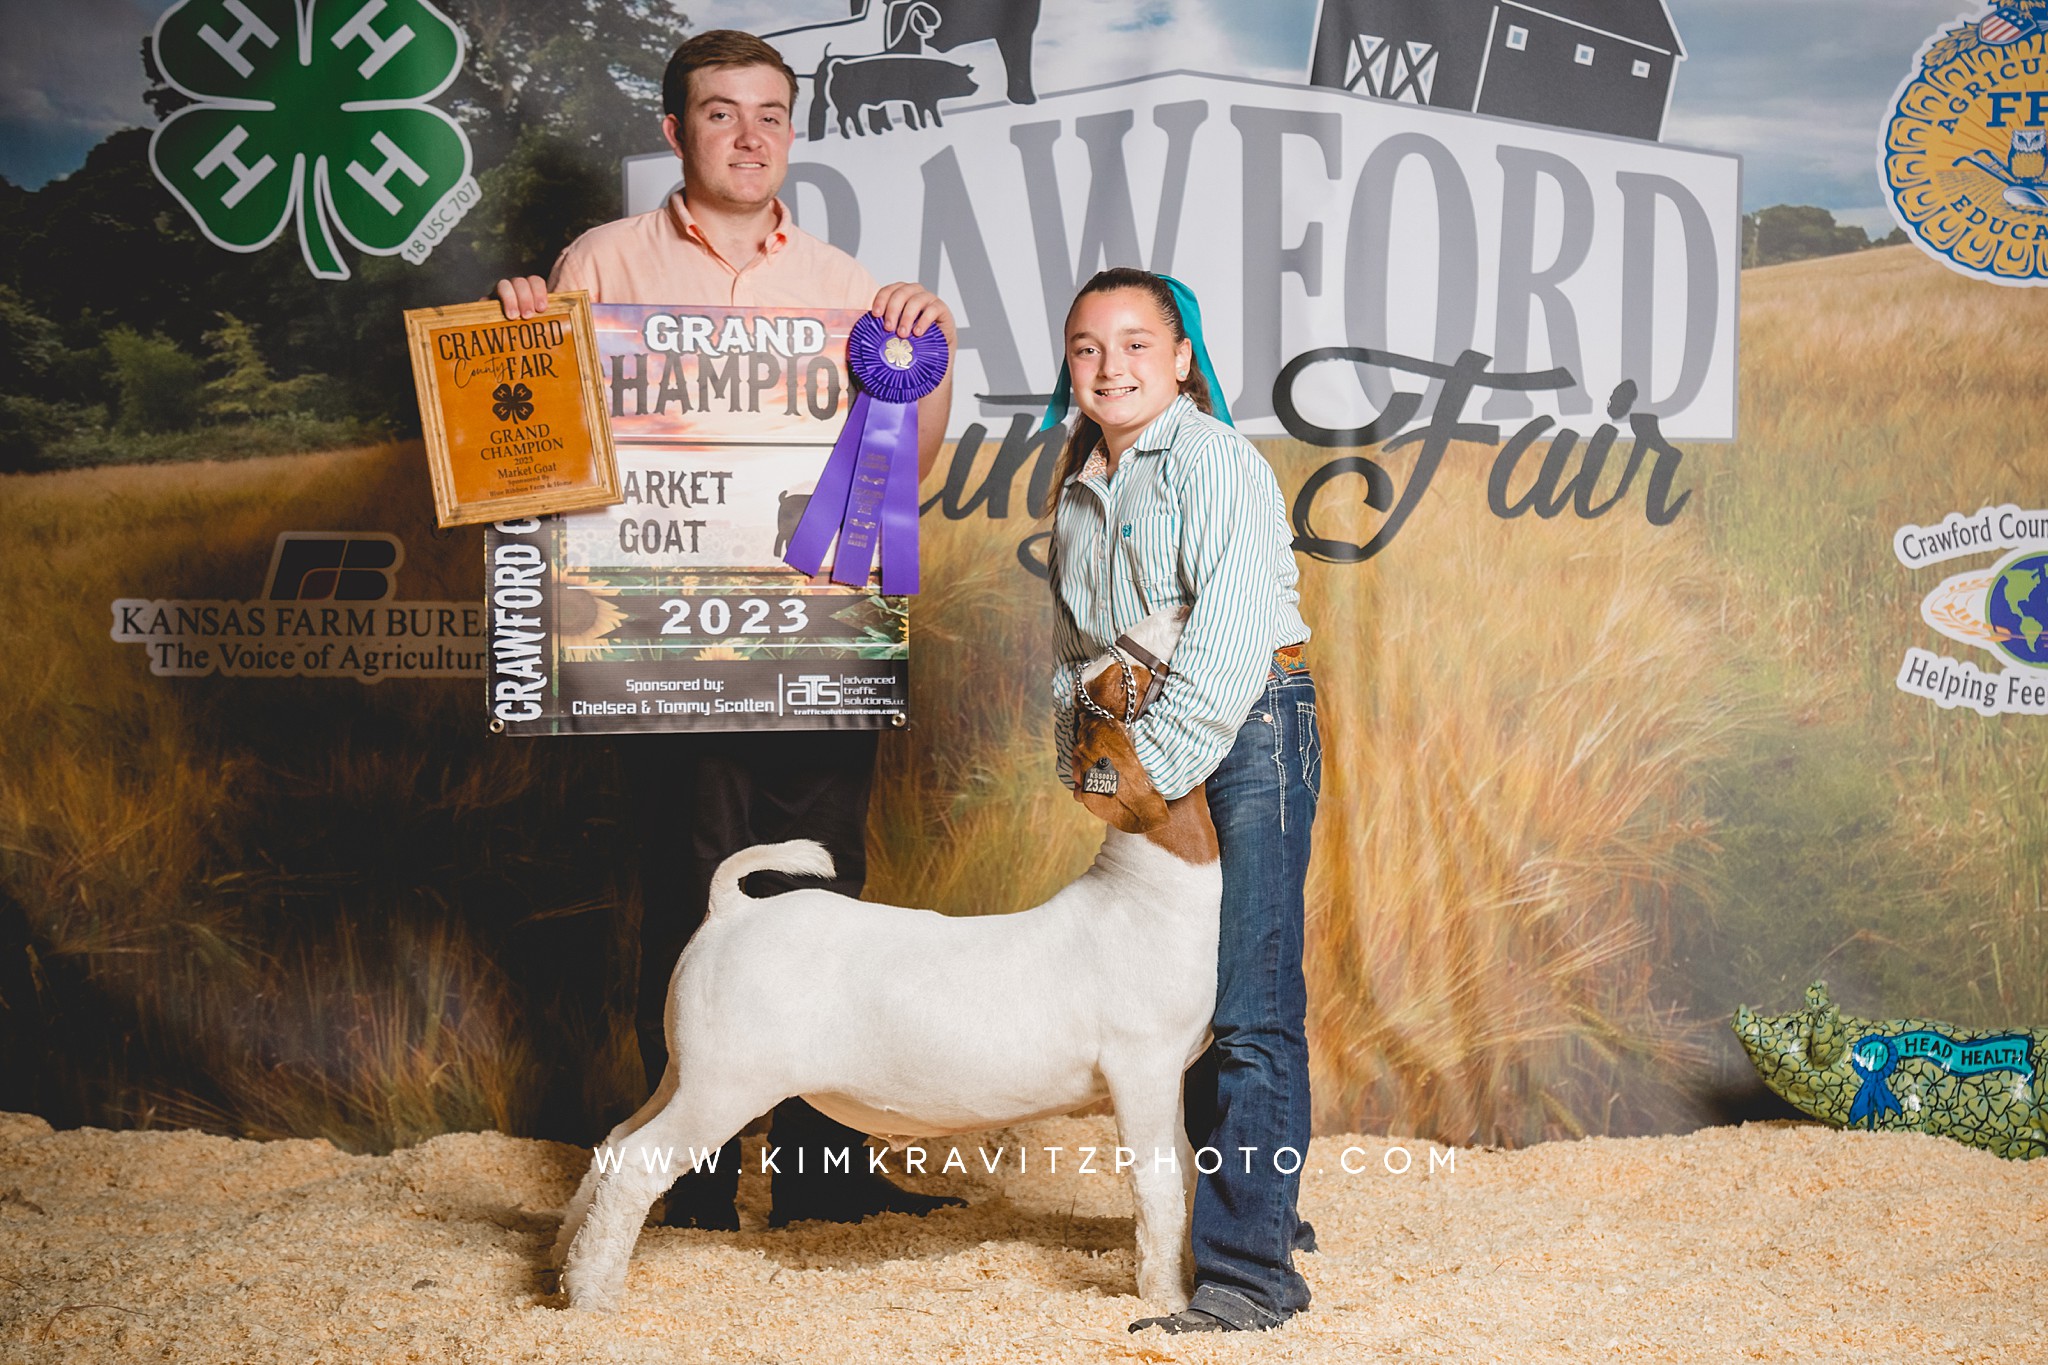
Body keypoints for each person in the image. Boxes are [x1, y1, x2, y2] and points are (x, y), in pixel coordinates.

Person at [496, 29, 958, 1229]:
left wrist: (928, 351)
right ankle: (689, 1176)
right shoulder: (600, 259)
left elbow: (907, 469)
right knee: (689, 890)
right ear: (672, 132)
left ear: (792, 130)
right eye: (719, 114)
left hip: (813, 638)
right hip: (661, 641)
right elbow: (536, 443)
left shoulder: (853, 285)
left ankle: (820, 1177)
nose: (749, 136)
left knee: (824, 898)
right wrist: (515, 339)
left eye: (769, 114)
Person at [1042, 267, 1321, 1333]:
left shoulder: (1210, 459)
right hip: (1149, 747)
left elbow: (1232, 628)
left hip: (1243, 728)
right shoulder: (1079, 481)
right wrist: (1084, 754)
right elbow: (1074, 649)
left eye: (1133, 345)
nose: (1110, 367)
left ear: (1179, 359)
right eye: (1085, 348)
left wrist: (1147, 763)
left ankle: (1251, 1273)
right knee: (1184, 1001)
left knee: (1249, 1001)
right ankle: (1253, 1212)